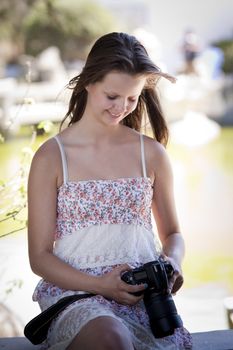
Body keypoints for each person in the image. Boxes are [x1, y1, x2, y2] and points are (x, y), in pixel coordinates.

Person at [27, 32, 192, 350]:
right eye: (112, 96)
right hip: (78, 294)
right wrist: (100, 285)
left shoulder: (151, 154)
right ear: (88, 82)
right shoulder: (52, 156)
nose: (121, 108)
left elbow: (173, 233)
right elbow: (39, 256)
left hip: (143, 295)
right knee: (110, 338)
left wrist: (173, 263)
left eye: (132, 99)